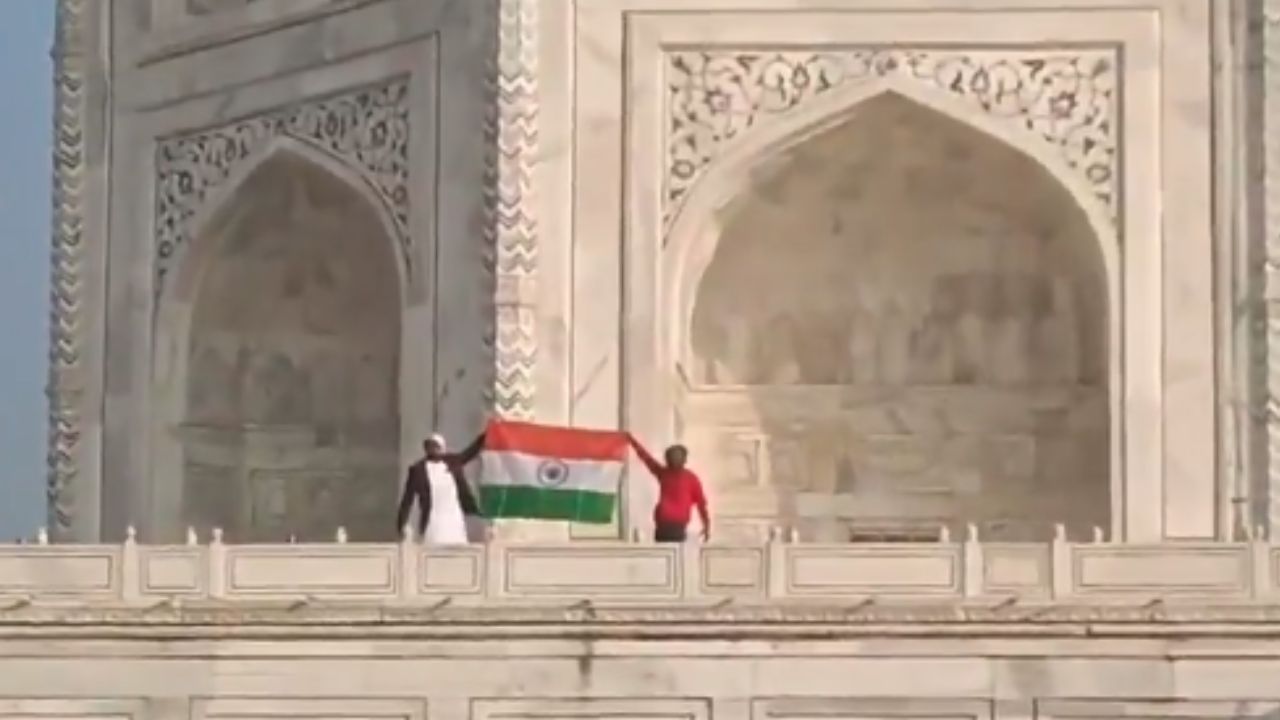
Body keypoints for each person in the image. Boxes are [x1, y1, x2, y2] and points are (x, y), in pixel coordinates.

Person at [395, 432, 485, 544]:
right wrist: (401, 524)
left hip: (454, 518)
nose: (433, 449)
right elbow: (407, 499)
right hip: (432, 521)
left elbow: (471, 451)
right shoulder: (418, 470)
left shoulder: (453, 462)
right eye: (429, 445)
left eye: (436, 446)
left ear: (442, 447)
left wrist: (488, 433)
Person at [627, 435, 710, 543]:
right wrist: (707, 526)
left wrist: (631, 440)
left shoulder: (664, 474)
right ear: (685, 460)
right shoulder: (691, 478)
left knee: (664, 554)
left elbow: (646, 458)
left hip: (663, 523)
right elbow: (701, 505)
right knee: (674, 555)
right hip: (676, 525)